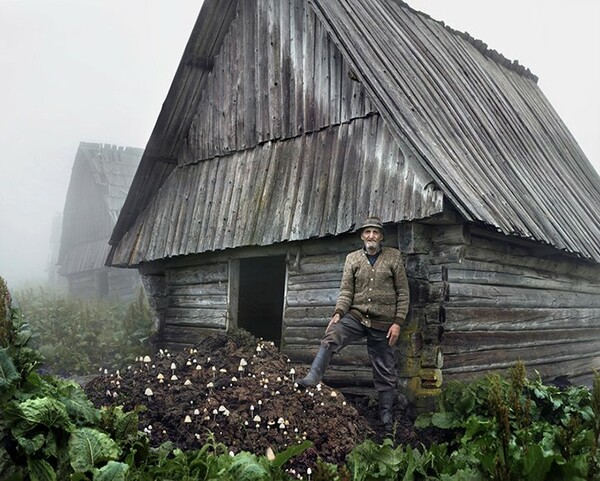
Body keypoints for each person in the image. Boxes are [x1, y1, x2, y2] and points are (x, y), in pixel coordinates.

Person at [297, 216, 410, 432]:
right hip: (357, 317)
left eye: (375, 232)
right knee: (333, 334)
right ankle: (313, 377)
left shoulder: (393, 257)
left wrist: (397, 322)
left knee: (385, 369)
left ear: (381, 237)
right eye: (367, 232)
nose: (371, 236)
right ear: (362, 236)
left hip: (384, 323)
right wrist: (339, 313)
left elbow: (403, 293)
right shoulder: (353, 259)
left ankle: (386, 416)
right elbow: (346, 291)